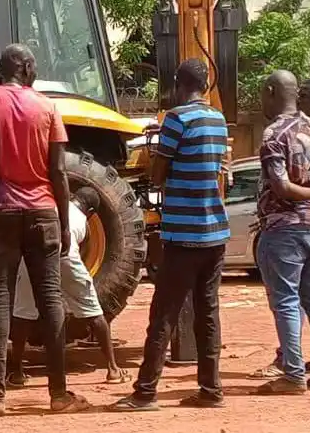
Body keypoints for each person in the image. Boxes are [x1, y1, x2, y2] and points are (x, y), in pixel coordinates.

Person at [0, 44, 87, 417]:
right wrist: (64, 221)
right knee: (51, 300)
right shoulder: (48, 107)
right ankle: (59, 394)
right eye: (33, 65)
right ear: (24, 67)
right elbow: (58, 172)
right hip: (43, 214)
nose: (35, 69)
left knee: (0, 301)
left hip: (0, 213)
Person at [112, 59, 230, 412]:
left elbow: (158, 175)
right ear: (205, 85)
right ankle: (210, 389)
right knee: (207, 312)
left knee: (163, 314)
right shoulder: (218, 119)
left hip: (183, 233)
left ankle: (145, 392)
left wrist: (158, 154)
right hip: (214, 232)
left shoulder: (176, 120)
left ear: (179, 84)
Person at [252, 71, 310, 394]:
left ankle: (293, 375)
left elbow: (280, 186)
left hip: (283, 228)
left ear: (271, 91)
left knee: (287, 301)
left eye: (262, 95)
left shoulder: (273, 134)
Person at [7, 188, 129, 387]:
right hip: (66, 258)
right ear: (91, 211)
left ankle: (17, 372)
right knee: (93, 311)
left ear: (73, 197)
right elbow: (80, 248)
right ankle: (113, 369)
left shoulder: (54, 206)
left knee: (23, 314)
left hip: (32, 258)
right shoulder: (82, 221)